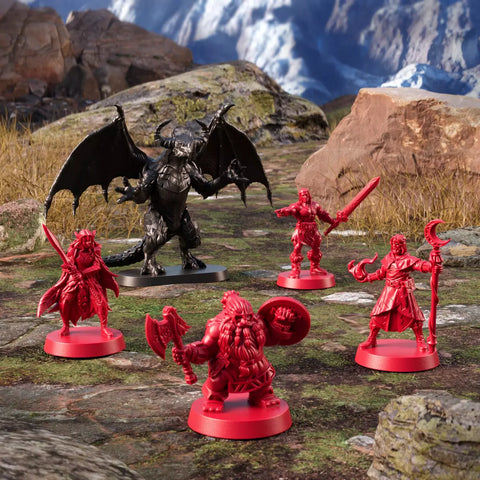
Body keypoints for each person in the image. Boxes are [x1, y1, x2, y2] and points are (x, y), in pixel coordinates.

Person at [171, 291, 298, 412]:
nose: (245, 322)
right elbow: (206, 348)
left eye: (248, 317)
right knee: (217, 382)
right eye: (238, 318)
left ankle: (262, 395)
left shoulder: (258, 323)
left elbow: (272, 338)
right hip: (227, 366)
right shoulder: (217, 328)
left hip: (257, 364)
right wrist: (190, 352)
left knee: (264, 378)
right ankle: (214, 399)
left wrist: (280, 322)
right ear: (229, 315)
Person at [348, 234, 441, 349]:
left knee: (414, 318)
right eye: (394, 244)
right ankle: (371, 339)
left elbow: (421, 265)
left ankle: (420, 340)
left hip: (403, 294)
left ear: (403, 245)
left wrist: (432, 266)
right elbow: (381, 273)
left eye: (398, 244)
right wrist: (367, 277)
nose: (396, 246)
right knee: (377, 316)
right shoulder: (389, 259)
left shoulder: (408, 260)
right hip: (389, 292)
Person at [37, 229, 119, 337]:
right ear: (80, 240)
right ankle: (65, 326)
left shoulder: (94, 250)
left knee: (101, 302)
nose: (88, 243)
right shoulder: (73, 251)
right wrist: (70, 269)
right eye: (85, 241)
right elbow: (66, 267)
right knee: (65, 300)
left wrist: (83, 273)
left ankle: (104, 327)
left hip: (90, 279)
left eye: (90, 240)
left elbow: (97, 266)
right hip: (74, 280)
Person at [275, 188, 343, 278]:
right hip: (301, 229)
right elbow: (291, 210)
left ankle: (315, 267)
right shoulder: (297, 206)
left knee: (316, 247)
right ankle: (295, 269)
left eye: (306, 194)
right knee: (297, 247)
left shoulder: (315, 205)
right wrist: (284, 211)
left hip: (313, 229)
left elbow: (323, 215)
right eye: (303, 195)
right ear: (300, 196)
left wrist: (332, 221)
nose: (305, 196)